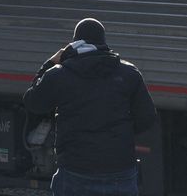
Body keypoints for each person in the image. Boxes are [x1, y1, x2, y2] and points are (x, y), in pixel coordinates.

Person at [23, 18, 158, 196]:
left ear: (75, 43)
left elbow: (33, 103)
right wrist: (119, 135)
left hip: (75, 169)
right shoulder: (129, 73)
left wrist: (49, 63)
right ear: (103, 42)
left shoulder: (58, 74)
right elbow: (147, 117)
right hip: (120, 169)